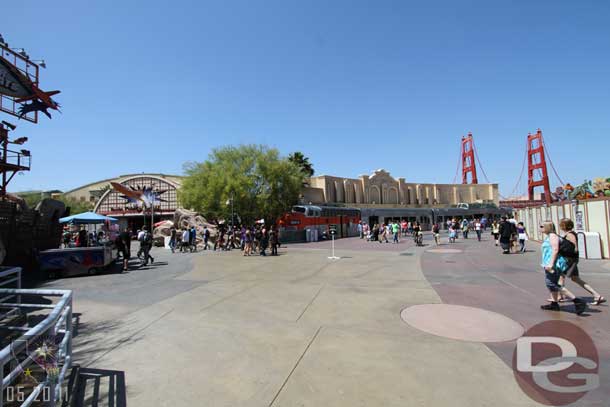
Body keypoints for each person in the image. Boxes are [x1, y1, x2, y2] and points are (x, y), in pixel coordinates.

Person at [539, 221, 586, 314]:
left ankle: (577, 301)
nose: (540, 228)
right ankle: (554, 303)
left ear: (547, 227)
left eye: (541, 226)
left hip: (554, 264)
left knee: (552, 284)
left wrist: (551, 264)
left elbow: (555, 249)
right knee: (552, 283)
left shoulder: (553, 236)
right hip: (549, 263)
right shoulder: (550, 236)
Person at [556, 218, 606, 306]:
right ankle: (596, 296)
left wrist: (573, 250)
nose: (560, 226)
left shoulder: (570, 234)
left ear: (564, 226)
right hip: (571, 259)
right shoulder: (570, 233)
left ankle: (559, 297)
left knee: (563, 277)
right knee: (572, 278)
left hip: (569, 260)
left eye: (561, 225)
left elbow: (574, 245)